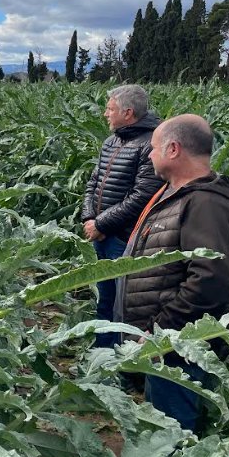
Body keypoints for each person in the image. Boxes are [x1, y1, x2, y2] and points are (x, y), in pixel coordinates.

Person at [118, 114, 229, 431]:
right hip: (164, 343)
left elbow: (210, 282)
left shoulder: (205, 204)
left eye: (154, 148)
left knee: (173, 432)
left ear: (173, 149)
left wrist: (159, 332)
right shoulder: (175, 193)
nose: (149, 154)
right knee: (161, 421)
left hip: (178, 346)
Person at [81, 84, 163, 347]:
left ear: (127, 113)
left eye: (110, 108)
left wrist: (102, 223)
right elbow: (93, 182)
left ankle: (122, 364)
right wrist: (88, 218)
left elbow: (142, 196)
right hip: (102, 234)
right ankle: (101, 355)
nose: (106, 114)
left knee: (123, 305)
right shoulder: (111, 141)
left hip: (125, 238)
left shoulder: (150, 144)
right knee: (105, 298)